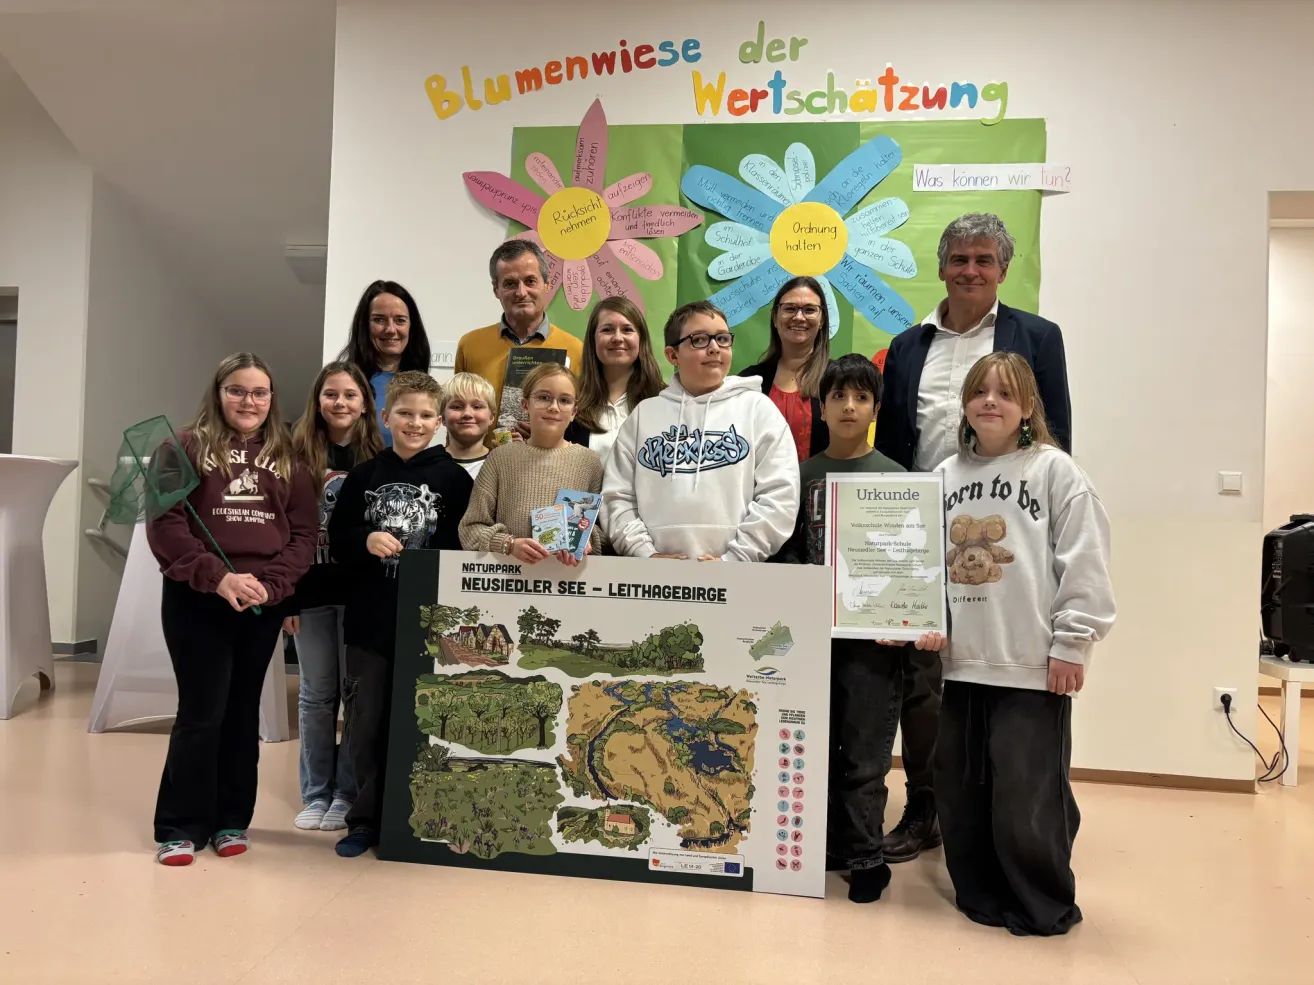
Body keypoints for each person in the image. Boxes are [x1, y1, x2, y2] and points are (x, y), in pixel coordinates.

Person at [873, 212, 1074, 864]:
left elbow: (1055, 435)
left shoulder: (1036, 337)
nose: (970, 270)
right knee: (924, 681)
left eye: (984, 259)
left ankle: (1017, 816)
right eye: (959, 259)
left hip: (1005, 533)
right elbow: (894, 444)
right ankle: (928, 807)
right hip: (923, 529)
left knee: (1009, 685)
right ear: (941, 267)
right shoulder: (907, 346)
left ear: (1003, 269)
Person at [926, 351, 1113, 936]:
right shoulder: (943, 475)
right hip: (959, 664)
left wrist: (1073, 643)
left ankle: (1041, 903)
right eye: (980, 392)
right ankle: (979, 893)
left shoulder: (1055, 471)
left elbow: (1084, 560)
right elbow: (922, 564)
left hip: (1030, 663)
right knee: (960, 790)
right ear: (964, 405)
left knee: (1027, 796)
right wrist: (919, 619)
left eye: (1006, 394)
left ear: (1028, 407)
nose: (990, 402)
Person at [146, 352, 318, 866]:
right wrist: (218, 577)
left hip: (261, 601)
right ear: (218, 393)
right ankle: (180, 826)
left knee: (242, 714)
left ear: (272, 398)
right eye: (237, 390)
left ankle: (230, 819)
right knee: (202, 712)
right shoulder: (181, 446)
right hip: (198, 598)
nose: (249, 401)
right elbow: (166, 524)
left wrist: (272, 585)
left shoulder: (289, 456)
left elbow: (304, 533)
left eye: (259, 392)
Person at [328, 372, 473, 857]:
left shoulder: (455, 480)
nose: (415, 423)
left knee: (420, 723)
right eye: (405, 414)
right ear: (385, 418)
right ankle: (364, 820)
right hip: (369, 623)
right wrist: (365, 539)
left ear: (439, 422)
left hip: (428, 627)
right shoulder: (364, 476)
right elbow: (338, 539)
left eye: (426, 415)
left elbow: (464, 549)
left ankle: (415, 819)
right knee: (366, 720)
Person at [602, 300, 799, 562]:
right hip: (654, 575)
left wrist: (737, 558)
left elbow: (780, 495)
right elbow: (617, 497)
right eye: (699, 340)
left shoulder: (758, 410)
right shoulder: (643, 417)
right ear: (672, 355)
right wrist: (645, 554)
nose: (714, 348)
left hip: (736, 574)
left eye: (722, 339)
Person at [285, 361, 383, 833]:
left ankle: (345, 793)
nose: (340, 402)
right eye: (331, 394)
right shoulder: (292, 452)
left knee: (353, 697)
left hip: (358, 593)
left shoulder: (379, 456)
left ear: (365, 403)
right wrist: (285, 598)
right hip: (308, 591)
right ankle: (315, 792)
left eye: (350, 394)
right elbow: (279, 529)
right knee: (315, 694)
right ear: (317, 400)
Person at [459, 363, 602, 562]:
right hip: (509, 575)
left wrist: (585, 540)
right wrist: (508, 544)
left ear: (574, 411)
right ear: (525, 405)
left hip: (566, 575)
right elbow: (470, 528)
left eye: (564, 400)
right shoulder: (501, 459)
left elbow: (602, 530)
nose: (553, 407)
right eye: (544, 397)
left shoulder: (590, 463)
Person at [453, 240, 584, 439]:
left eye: (530, 281)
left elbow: (582, 420)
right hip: (484, 457)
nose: (521, 292)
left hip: (550, 457)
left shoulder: (576, 350)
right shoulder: (470, 345)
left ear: (547, 285)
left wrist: (547, 429)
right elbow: (456, 413)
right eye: (510, 283)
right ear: (496, 289)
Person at [565, 296, 666, 464]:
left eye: (627, 330)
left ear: (641, 339)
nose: (618, 338)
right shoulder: (569, 400)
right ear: (593, 339)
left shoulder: (665, 400)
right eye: (607, 330)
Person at [742, 276, 831, 462]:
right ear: (775, 318)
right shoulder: (748, 381)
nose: (799, 317)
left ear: (822, 320)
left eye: (809, 310)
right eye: (790, 308)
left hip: (821, 481)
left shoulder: (838, 379)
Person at [338, 280, 433, 446]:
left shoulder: (422, 384)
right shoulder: (345, 382)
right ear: (364, 325)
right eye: (379, 319)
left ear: (412, 326)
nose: (390, 329)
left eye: (400, 320)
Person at [440, 372, 496, 479]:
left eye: (477, 407)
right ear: (442, 417)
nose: (467, 414)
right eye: (457, 407)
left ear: (491, 417)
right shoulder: (426, 463)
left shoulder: (503, 464)